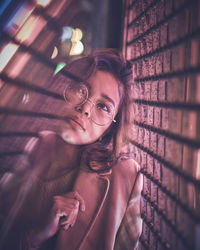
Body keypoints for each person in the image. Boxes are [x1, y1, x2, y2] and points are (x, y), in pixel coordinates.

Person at [0, 48, 143, 250]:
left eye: (103, 106)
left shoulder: (125, 177)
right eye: (80, 90)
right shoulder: (37, 145)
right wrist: (38, 234)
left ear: (112, 126)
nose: (84, 108)